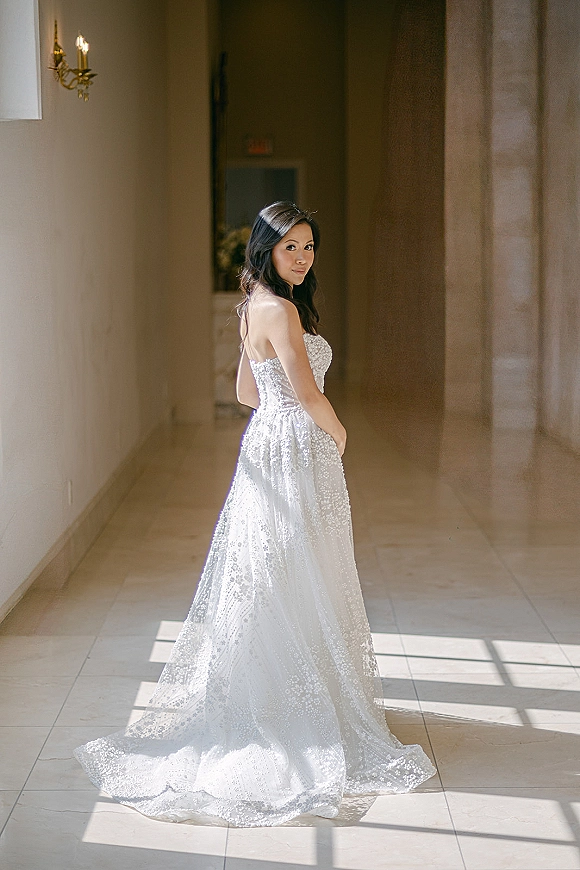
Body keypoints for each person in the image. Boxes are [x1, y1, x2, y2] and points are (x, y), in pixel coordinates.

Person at [74, 201, 436, 827]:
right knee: (300, 566)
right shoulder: (284, 310)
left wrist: (284, 413)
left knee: (270, 566)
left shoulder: (252, 307)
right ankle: (297, 704)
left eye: (309, 246)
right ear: (266, 248)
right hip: (296, 445)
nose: (302, 257)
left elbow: (247, 392)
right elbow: (305, 389)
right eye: (290, 246)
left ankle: (272, 692)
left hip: (265, 444)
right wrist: (339, 432)